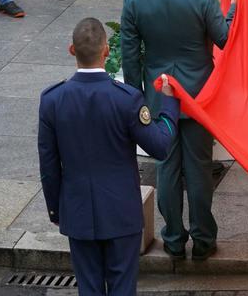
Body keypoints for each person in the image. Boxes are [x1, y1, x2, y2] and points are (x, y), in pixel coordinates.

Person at [38, 17, 180, 296]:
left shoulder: (52, 100)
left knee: (88, 288)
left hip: (77, 211)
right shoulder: (126, 99)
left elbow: (49, 165)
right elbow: (160, 146)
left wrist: (57, 210)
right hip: (120, 212)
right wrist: (169, 104)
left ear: (71, 50)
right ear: (106, 51)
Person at [121, 0, 238, 261]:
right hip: (199, 97)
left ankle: (173, 238)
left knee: (167, 168)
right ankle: (203, 238)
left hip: (159, 99)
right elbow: (224, 40)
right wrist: (233, 12)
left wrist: (137, 100)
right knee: (200, 169)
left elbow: (131, 57)